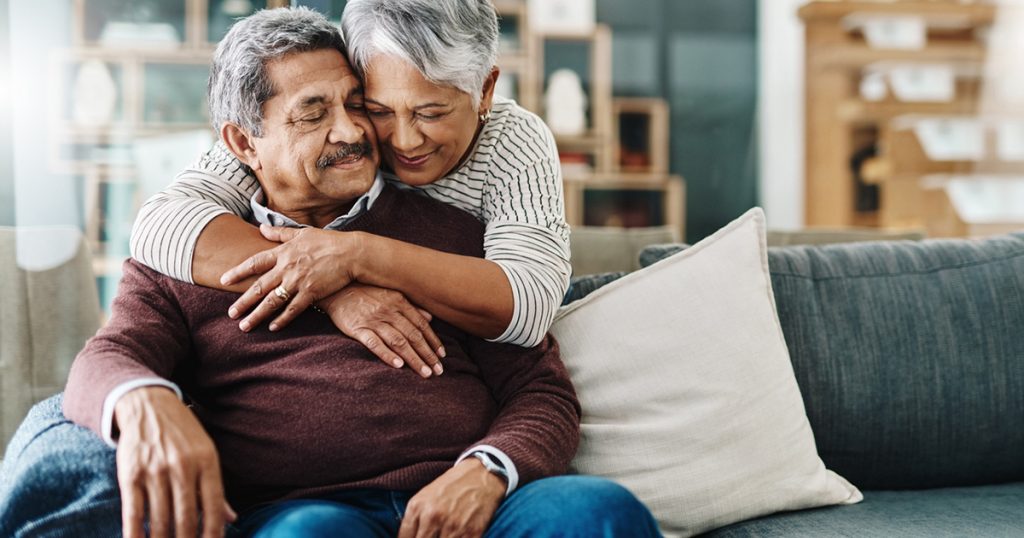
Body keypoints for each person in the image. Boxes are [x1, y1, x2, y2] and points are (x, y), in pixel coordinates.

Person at [0, 8, 661, 538]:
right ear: (240, 144)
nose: (357, 133)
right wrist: (144, 402)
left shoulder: (452, 239)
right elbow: (105, 357)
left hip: (474, 502)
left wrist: (487, 471)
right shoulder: (188, 254)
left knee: (599, 513)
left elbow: (541, 392)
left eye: (355, 103)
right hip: (309, 509)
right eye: (313, 114)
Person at [130, 0, 571, 379]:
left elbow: (529, 307)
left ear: (485, 91)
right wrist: (332, 286)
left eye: (431, 112)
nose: (403, 141)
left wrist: (356, 256)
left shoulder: (513, 140)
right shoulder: (306, 138)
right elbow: (159, 225)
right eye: (376, 109)